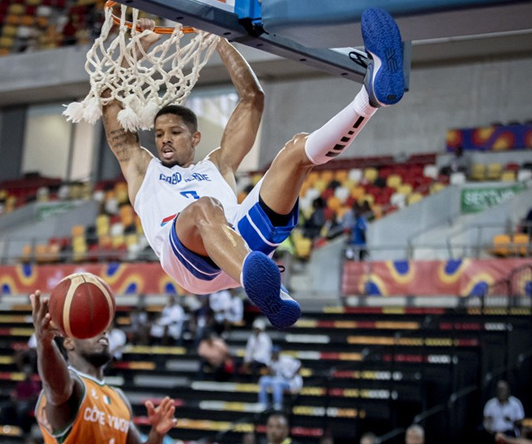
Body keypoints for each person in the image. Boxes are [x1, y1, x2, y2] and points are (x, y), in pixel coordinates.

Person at [100, 9, 405, 329]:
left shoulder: (218, 164)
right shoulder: (143, 169)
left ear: (195, 137)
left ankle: (370, 97)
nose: (164, 140)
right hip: (188, 262)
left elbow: (252, 98)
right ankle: (260, 283)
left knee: (296, 151)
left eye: (175, 132)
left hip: (237, 240)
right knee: (203, 208)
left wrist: (218, 35)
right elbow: (110, 106)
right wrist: (136, 49)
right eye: (159, 134)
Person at [30, 290, 177, 443]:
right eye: (91, 329)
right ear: (69, 342)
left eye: (103, 328)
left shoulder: (119, 398)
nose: (102, 332)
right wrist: (45, 343)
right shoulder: (72, 385)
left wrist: (157, 432)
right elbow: (57, 390)